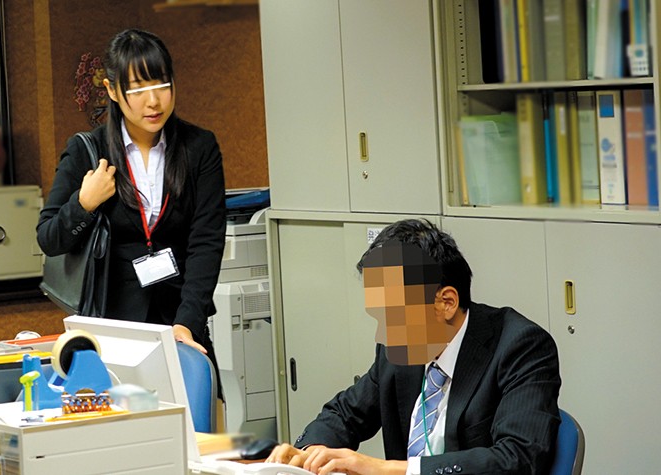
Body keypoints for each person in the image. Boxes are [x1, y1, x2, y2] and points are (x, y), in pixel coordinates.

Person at [267, 219, 561, 475]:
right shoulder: (397, 353)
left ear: (446, 302)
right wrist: (309, 452)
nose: (383, 335)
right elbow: (345, 414)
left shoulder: (520, 347)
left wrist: (388, 469)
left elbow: (518, 458)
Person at [37, 29, 226, 384]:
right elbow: (49, 238)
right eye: (137, 90)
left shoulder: (199, 147)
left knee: (200, 409)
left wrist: (187, 322)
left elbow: (207, 241)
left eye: (162, 85)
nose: (153, 101)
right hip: (112, 329)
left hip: (180, 324)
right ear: (112, 90)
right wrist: (84, 203)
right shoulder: (88, 150)